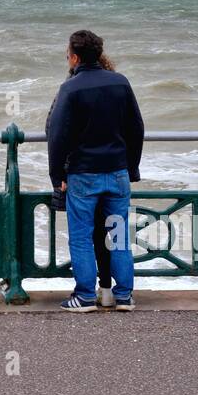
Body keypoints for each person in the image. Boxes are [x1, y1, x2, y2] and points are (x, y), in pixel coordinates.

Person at [46, 29, 144, 312]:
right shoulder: (120, 82)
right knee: (119, 236)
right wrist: (132, 167)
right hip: (117, 172)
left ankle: (85, 296)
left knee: (81, 237)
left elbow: (58, 135)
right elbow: (136, 129)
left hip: (83, 174)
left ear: (74, 57)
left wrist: (58, 176)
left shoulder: (71, 89)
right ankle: (124, 296)